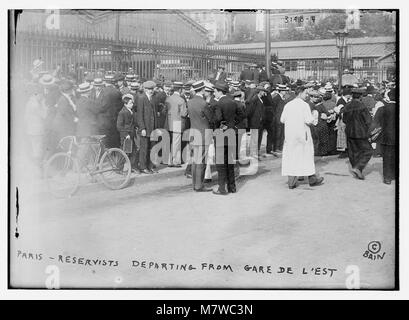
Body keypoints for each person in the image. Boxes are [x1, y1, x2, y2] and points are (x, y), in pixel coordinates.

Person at [280, 85, 324, 189]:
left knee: (292, 157)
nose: (307, 95)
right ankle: (312, 179)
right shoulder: (304, 105)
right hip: (302, 136)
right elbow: (309, 121)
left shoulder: (288, 105)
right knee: (306, 157)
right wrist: (314, 116)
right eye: (306, 93)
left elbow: (282, 120)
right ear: (300, 93)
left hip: (290, 136)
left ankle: (291, 181)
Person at [213, 81, 245, 195]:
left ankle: (222, 188)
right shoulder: (233, 102)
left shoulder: (218, 103)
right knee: (230, 162)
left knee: (221, 163)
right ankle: (232, 187)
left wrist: (218, 126)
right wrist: (232, 124)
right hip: (231, 133)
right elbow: (242, 115)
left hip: (221, 134)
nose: (214, 93)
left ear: (219, 91)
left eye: (215, 91)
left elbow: (218, 119)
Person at [187, 81, 214, 192]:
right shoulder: (204, 103)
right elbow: (211, 119)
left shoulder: (189, 102)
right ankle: (199, 185)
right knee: (201, 161)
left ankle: (195, 184)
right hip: (203, 134)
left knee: (195, 160)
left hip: (193, 133)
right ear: (202, 90)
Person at [342, 87, 373, 180]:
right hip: (360, 132)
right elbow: (368, 121)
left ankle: (356, 169)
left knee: (353, 152)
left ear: (352, 95)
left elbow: (344, 120)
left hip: (349, 132)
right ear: (360, 97)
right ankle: (359, 168)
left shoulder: (347, 106)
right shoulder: (362, 106)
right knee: (368, 151)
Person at [373, 88, 396, 184]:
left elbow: (375, 123)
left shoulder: (382, 109)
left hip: (386, 137)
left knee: (387, 157)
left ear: (389, 97)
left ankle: (387, 177)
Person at [24, 83, 48, 170]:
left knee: (34, 148)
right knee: (38, 150)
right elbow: (44, 115)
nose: (42, 97)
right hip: (37, 130)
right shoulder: (37, 105)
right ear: (38, 95)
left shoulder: (29, 102)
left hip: (30, 130)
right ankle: (39, 170)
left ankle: (36, 168)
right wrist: (44, 105)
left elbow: (25, 118)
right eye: (41, 96)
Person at [137, 80, 158, 174]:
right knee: (144, 148)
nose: (151, 91)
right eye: (149, 89)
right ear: (145, 89)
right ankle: (143, 166)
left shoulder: (153, 98)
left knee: (152, 147)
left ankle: (151, 166)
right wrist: (142, 128)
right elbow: (139, 115)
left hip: (153, 127)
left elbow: (154, 114)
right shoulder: (141, 98)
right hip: (146, 127)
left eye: (152, 89)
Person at [164, 81, 187, 168]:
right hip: (177, 122)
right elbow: (184, 114)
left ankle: (169, 160)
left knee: (169, 141)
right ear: (180, 89)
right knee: (176, 142)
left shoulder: (168, 98)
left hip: (169, 122)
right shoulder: (181, 100)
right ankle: (175, 161)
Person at [117, 94, 139, 171]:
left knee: (133, 151)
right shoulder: (122, 112)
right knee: (125, 152)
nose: (132, 104)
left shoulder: (130, 111)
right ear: (125, 104)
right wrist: (126, 135)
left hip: (131, 134)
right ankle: (119, 168)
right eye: (130, 103)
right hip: (126, 136)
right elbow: (119, 126)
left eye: (132, 103)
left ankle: (133, 167)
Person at [271, 84, 289, 155]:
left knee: (281, 133)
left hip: (281, 118)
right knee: (277, 134)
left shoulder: (281, 97)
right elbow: (273, 108)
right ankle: (276, 148)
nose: (285, 92)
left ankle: (279, 147)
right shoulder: (276, 98)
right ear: (281, 91)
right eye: (284, 91)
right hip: (277, 118)